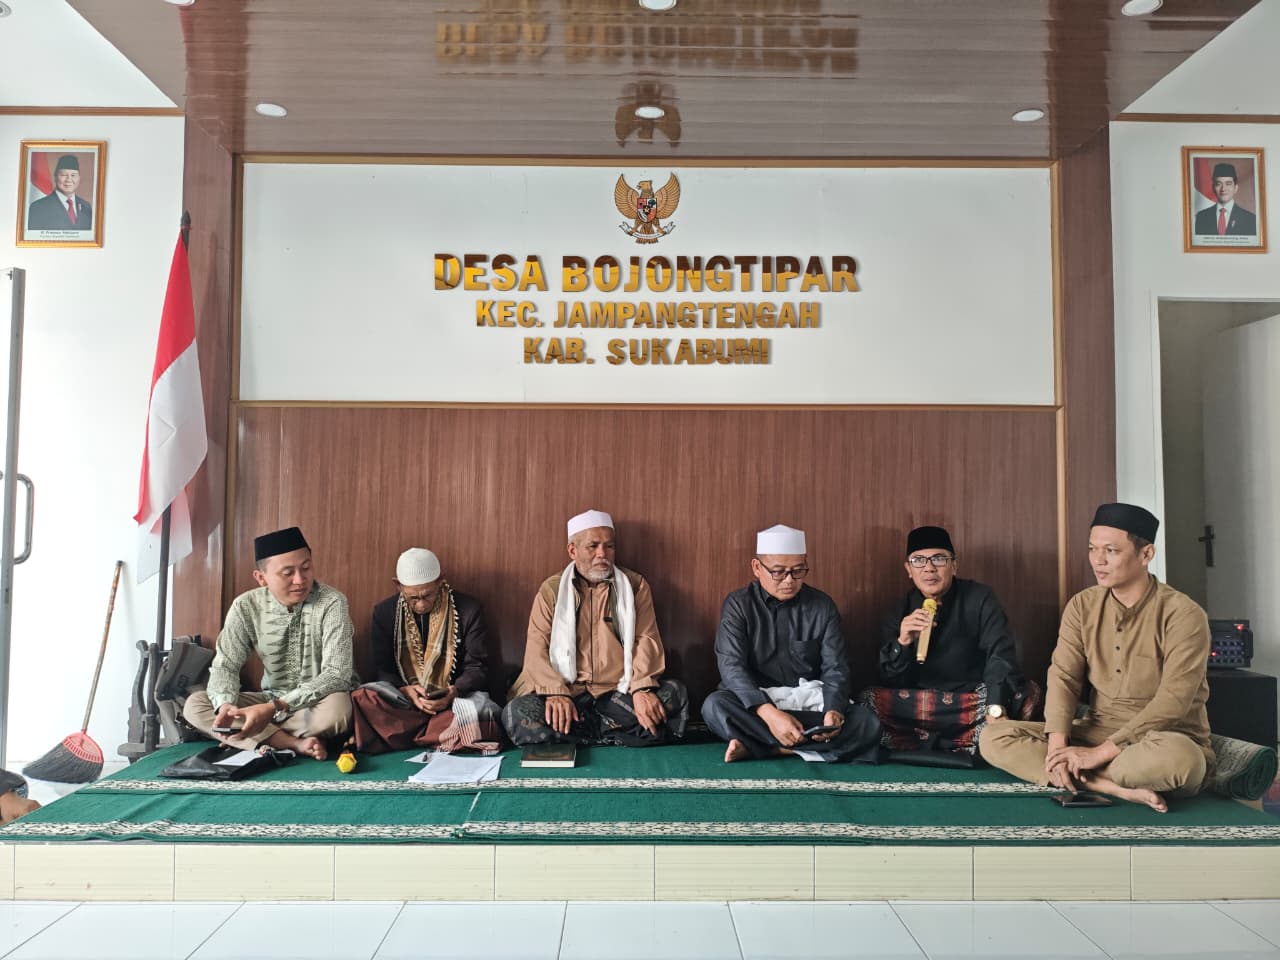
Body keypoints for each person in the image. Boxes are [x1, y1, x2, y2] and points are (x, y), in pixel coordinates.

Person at [980, 503, 1214, 812]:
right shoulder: (1082, 606)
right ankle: (1109, 785)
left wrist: (1098, 754)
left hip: (1160, 738)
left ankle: (1086, 774)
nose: (1098, 560)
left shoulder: (1184, 614)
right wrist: (1057, 748)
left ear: (1146, 554)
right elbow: (1063, 677)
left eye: (1111, 551)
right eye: (1092, 549)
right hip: (1095, 731)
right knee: (993, 737)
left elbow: (1174, 700)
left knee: (1181, 762)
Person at [502, 509, 688, 747]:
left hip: (618, 694)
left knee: (674, 694)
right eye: (593, 546)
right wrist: (555, 692)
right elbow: (536, 650)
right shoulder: (551, 591)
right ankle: (613, 733)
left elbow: (646, 639)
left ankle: (583, 735)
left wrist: (641, 689)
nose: (603, 554)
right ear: (573, 550)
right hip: (569, 695)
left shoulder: (634, 586)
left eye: (609, 546)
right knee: (516, 713)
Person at [702, 524, 883, 764]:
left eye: (798, 571)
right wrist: (769, 714)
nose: (789, 580)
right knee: (714, 706)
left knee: (867, 723)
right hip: (759, 705)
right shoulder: (738, 605)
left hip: (810, 706)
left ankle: (765, 749)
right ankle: (812, 748)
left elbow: (836, 668)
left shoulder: (822, 605)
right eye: (778, 572)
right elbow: (731, 667)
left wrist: (833, 711)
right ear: (757, 567)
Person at [862, 525, 1039, 760]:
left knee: (1022, 694)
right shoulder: (899, 610)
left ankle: (922, 742)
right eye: (918, 561)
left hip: (970, 699)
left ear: (954, 566)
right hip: (918, 705)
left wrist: (994, 707)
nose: (929, 568)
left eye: (938, 559)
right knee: (869, 699)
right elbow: (891, 681)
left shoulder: (980, 598)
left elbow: (1000, 655)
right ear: (908, 570)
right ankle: (970, 742)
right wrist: (903, 642)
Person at [183, 526, 358, 760]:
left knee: (339, 712)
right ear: (261, 578)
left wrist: (274, 708)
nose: (300, 580)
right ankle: (293, 743)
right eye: (288, 573)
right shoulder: (245, 607)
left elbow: (337, 674)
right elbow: (225, 666)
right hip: (268, 702)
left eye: (306, 568)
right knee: (196, 705)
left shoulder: (332, 602)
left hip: (318, 702)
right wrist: (226, 707)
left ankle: (253, 734)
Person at [349, 547, 502, 753]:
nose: (421, 605)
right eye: (413, 597)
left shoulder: (468, 609)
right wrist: (406, 691)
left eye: (428, 595)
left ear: (440, 581)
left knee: (480, 710)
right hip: (405, 700)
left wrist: (453, 692)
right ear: (398, 585)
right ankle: (438, 735)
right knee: (363, 697)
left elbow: (477, 667)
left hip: (454, 701)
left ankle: (407, 735)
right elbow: (382, 669)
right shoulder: (385, 612)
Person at [27, 155, 92, 231]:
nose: (69, 180)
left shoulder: (86, 207)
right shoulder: (38, 207)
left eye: (73, 175)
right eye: (64, 175)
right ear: (55, 177)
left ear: (79, 178)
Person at [1193, 162, 1257, 237]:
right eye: (1218, 184)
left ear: (1235, 188)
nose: (1223, 189)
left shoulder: (1250, 219)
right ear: (1213, 188)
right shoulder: (1201, 217)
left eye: (1228, 184)